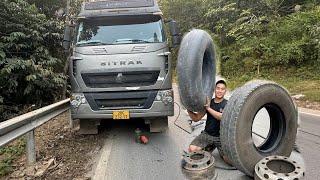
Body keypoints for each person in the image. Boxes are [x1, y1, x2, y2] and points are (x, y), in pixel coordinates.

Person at [188, 80, 231, 165]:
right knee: (192, 149)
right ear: (214, 89)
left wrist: (208, 108)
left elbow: (221, 117)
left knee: (229, 161)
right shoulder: (208, 103)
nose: (220, 91)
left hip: (221, 137)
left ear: (225, 91)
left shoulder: (227, 104)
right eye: (218, 88)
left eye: (222, 89)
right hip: (207, 134)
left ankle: (214, 147)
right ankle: (210, 146)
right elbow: (197, 118)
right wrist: (188, 109)